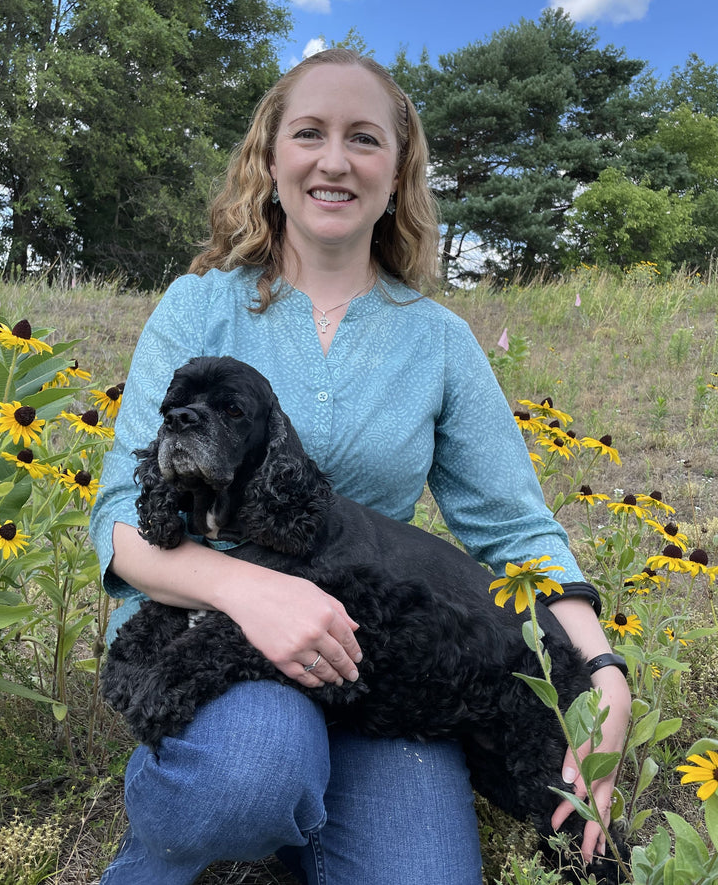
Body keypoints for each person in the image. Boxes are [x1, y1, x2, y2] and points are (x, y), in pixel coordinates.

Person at [90, 48, 631, 885]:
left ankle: (303, 817)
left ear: (397, 173)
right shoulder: (198, 304)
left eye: (363, 139)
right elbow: (121, 518)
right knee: (248, 776)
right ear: (271, 161)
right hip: (220, 630)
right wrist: (251, 590)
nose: (334, 160)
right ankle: (182, 834)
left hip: (376, 663)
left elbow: (517, 528)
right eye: (309, 133)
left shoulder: (438, 339)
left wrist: (598, 672)